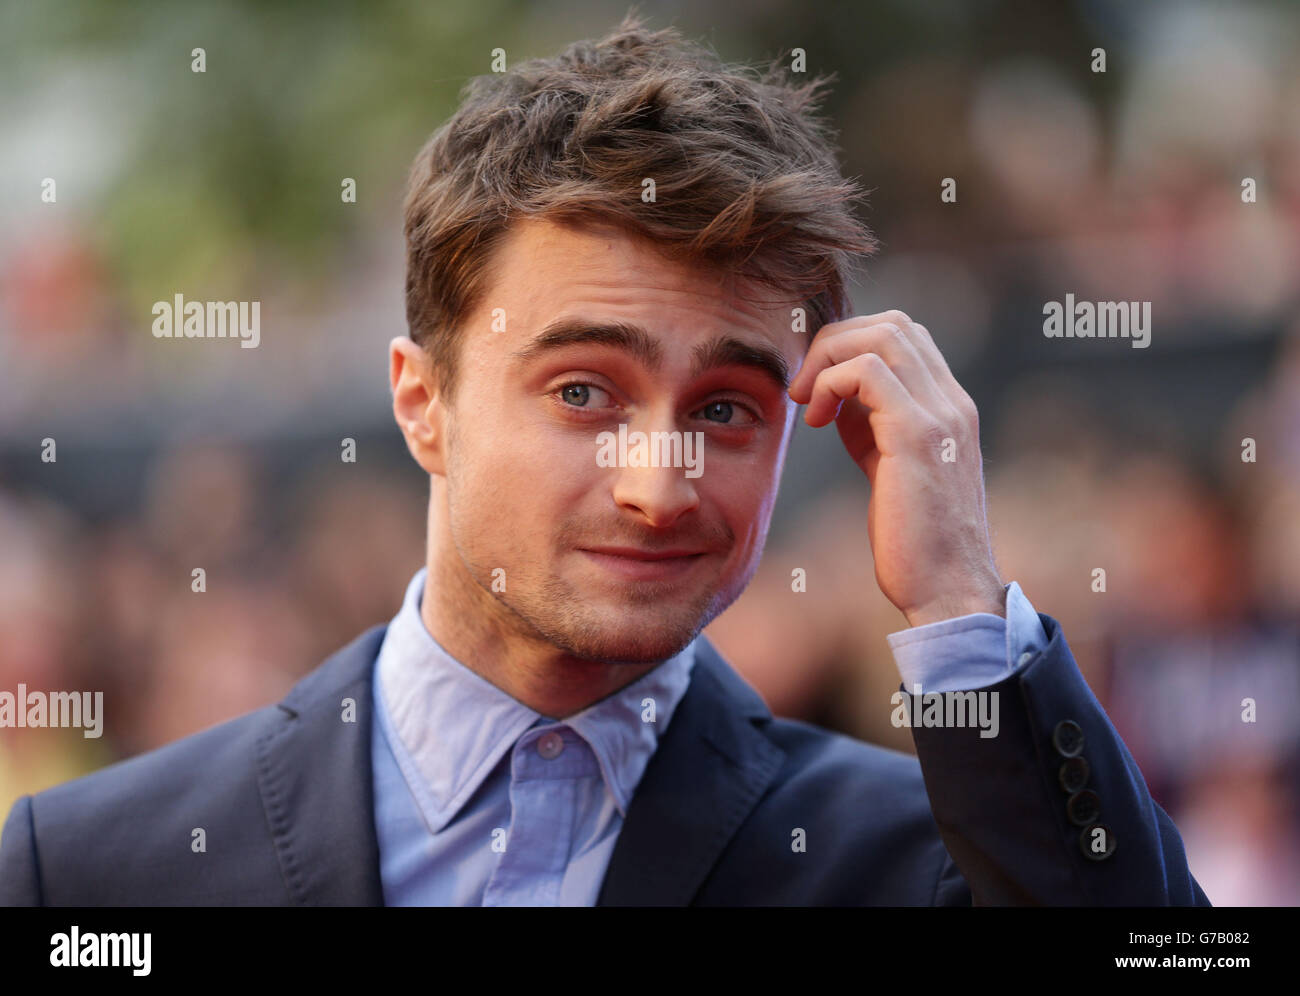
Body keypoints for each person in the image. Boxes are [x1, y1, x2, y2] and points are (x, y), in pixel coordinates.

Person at [0, 15, 1208, 906]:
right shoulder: (95, 875)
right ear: (425, 405)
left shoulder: (930, 867)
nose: (657, 482)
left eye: (729, 409)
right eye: (583, 392)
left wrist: (956, 602)